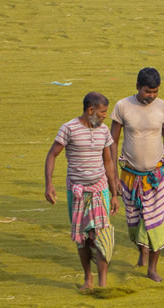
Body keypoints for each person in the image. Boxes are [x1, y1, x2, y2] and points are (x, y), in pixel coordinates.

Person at [44, 92, 119, 290]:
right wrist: (49, 184)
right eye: (102, 112)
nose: (105, 116)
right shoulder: (69, 129)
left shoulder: (103, 131)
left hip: (99, 190)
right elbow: (52, 155)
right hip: (77, 192)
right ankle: (88, 278)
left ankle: (103, 281)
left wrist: (114, 193)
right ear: (90, 110)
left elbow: (108, 162)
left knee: (102, 236)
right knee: (82, 238)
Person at [110, 67, 164, 282]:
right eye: (148, 91)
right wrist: (113, 175)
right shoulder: (122, 106)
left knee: (155, 223)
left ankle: (152, 268)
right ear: (137, 87)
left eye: (155, 92)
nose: (151, 96)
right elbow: (113, 142)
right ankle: (142, 253)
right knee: (135, 222)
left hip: (157, 177)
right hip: (129, 176)